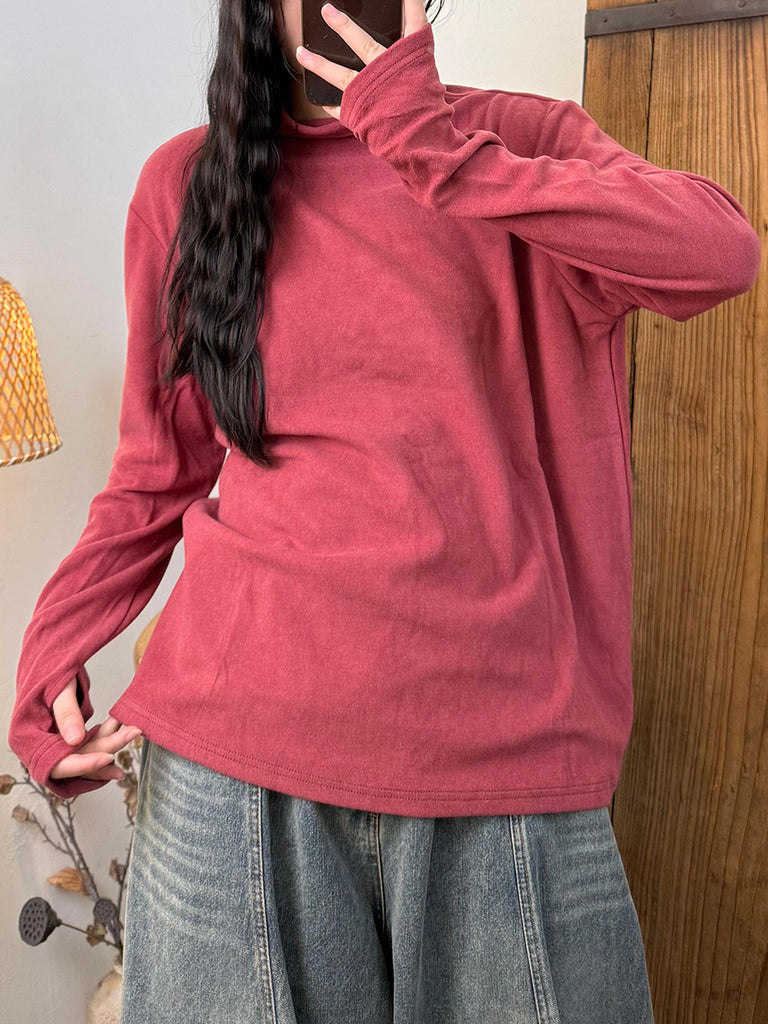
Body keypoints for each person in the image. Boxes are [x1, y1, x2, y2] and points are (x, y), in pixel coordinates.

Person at [8, 0, 761, 1021]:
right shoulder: (186, 186)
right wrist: (52, 645)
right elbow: (154, 472)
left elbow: (719, 254)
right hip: (232, 762)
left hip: (505, 769)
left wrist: (436, 149)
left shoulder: (517, 141)